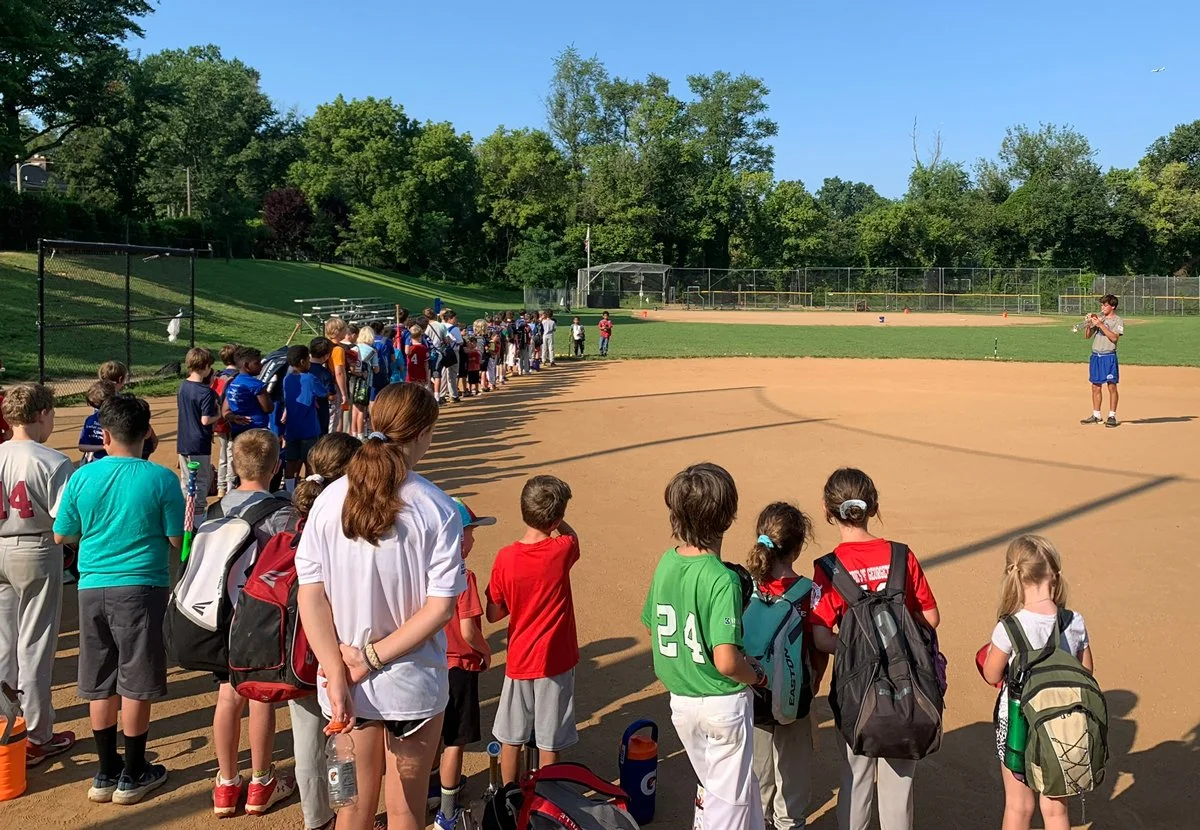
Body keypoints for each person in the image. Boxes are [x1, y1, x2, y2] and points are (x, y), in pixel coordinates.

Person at [296, 383, 464, 830]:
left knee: (350, 807)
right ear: (424, 431)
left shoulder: (328, 500)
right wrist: (370, 658)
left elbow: (310, 593)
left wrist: (337, 668)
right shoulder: (437, 507)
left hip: (342, 686)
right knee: (406, 807)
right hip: (411, 684)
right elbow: (440, 609)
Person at [53, 394, 184, 805]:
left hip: (92, 587)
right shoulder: (161, 478)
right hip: (142, 587)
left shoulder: (81, 477)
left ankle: (105, 771)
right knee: (136, 681)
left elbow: (62, 535)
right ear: (148, 434)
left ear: (104, 435)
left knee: (100, 681)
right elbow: (177, 540)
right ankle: (133, 771)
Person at [809, 468, 939, 830]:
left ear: (827, 510)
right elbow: (931, 616)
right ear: (873, 506)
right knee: (900, 782)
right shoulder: (902, 556)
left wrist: (856, 646)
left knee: (856, 774)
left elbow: (820, 637)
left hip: (857, 689)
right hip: (906, 685)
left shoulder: (829, 568)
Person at [642, 463, 767, 830]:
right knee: (726, 803)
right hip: (722, 702)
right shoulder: (721, 578)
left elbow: (652, 622)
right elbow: (727, 661)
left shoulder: (666, 562)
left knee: (726, 790)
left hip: (681, 700)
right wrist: (756, 675)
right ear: (728, 517)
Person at [210, 429, 298, 817]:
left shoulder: (215, 510)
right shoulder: (282, 513)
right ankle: (261, 781)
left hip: (219, 614)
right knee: (260, 694)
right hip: (261, 616)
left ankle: (226, 785)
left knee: (227, 697)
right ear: (276, 466)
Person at [981, 535, 1092, 830]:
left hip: (1019, 724)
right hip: (1063, 724)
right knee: (1055, 811)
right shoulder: (1074, 621)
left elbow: (991, 674)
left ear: (1014, 575)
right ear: (1054, 575)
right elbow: (1087, 674)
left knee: (1019, 806)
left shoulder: (1009, 627)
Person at [284, 433, 362, 830]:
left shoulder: (288, 517)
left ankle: (317, 819)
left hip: (292, 650)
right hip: (338, 653)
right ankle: (349, 815)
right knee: (348, 743)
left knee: (308, 744)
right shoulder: (347, 522)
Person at [486, 475, 581, 784]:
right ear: (556, 519)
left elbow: (494, 612)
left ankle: (509, 795)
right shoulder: (562, 548)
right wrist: (559, 523)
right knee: (549, 740)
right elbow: (571, 536)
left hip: (520, 659)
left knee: (511, 736)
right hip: (555, 659)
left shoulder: (505, 558)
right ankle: (546, 798)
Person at [0, 384, 77, 766]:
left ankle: (4, 728)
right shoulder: (52, 459)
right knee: (35, 644)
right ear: (42, 413)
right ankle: (36, 736)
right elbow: (65, 523)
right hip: (35, 547)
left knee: (3, 643)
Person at [745, 503, 822, 830]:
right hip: (795, 697)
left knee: (759, 776)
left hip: (753, 691)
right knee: (792, 780)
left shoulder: (745, 585)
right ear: (799, 547)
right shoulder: (809, 592)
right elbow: (818, 647)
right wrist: (813, 682)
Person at [434, 498, 496, 830]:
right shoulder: (464, 576)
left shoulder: (422, 568)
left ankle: (431, 789)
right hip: (458, 667)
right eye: (470, 533)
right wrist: (485, 651)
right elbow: (468, 630)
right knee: (454, 743)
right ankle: (446, 812)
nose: (473, 540)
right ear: (458, 538)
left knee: (431, 735)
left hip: (429, 665)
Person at [176, 348, 220, 527]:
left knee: (186, 480)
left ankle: (185, 517)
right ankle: (197, 521)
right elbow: (205, 420)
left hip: (184, 441)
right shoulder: (206, 392)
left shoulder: (183, 386)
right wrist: (220, 415)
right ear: (206, 367)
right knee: (201, 481)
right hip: (199, 443)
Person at [281, 344, 327, 490]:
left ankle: (289, 491)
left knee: (291, 462)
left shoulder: (287, 379)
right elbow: (323, 392)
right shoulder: (310, 378)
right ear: (302, 361)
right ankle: (309, 490)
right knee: (310, 462)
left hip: (292, 428)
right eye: (308, 359)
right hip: (309, 429)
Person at [1080, 294, 1125, 428]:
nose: (1103, 307)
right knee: (1095, 386)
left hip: (1108, 356)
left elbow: (1114, 338)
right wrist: (1089, 323)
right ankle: (1096, 415)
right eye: (1102, 305)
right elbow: (1087, 336)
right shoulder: (1100, 319)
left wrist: (1100, 324)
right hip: (1096, 356)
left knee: (1111, 386)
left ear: (1113, 307)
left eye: (1105, 305)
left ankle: (1112, 416)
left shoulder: (1117, 320)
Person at [212, 344, 241, 497]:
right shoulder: (237, 377)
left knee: (223, 455)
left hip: (218, 421)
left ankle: (220, 486)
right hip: (232, 420)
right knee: (231, 454)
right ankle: (229, 485)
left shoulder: (218, 376)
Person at [223, 347, 271, 438]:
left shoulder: (232, 383)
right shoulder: (257, 385)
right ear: (246, 365)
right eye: (257, 363)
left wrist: (234, 418)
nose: (261, 365)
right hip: (257, 432)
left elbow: (225, 411)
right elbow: (268, 408)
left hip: (238, 432)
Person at [78, 380, 117, 463]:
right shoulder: (118, 419)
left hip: (96, 460)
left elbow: (82, 446)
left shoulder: (90, 420)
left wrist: (102, 447)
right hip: (115, 460)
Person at [324, 318, 351, 434]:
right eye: (344, 329)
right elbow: (339, 372)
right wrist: (344, 393)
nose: (346, 331)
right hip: (334, 385)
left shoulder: (324, 346)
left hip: (323, 384)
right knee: (334, 417)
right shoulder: (338, 349)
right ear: (338, 331)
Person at [307, 337, 336, 438]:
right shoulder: (325, 373)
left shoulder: (301, 368)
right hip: (320, 412)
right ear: (327, 356)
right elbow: (331, 396)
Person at [439, 309, 463, 404]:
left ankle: (442, 394)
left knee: (443, 374)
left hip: (442, 352)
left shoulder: (440, 326)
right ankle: (453, 395)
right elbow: (460, 341)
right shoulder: (455, 328)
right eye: (454, 318)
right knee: (452, 374)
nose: (456, 320)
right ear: (449, 319)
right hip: (453, 352)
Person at [406, 322, 431, 389]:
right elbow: (426, 364)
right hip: (421, 374)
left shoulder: (408, 348)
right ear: (420, 336)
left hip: (410, 374)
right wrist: (428, 376)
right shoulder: (423, 348)